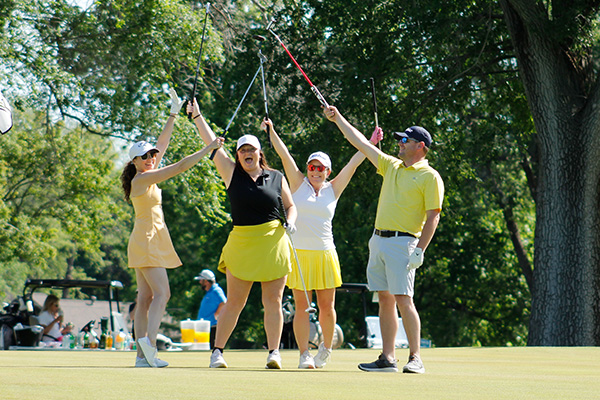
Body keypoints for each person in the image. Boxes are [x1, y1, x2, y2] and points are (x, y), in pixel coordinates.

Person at [324, 106, 444, 374]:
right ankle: (387, 358)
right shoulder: (391, 165)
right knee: (385, 299)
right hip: (378, 241)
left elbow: (433, 216)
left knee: (404, 299)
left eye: (405, 140)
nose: (400, 144)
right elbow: (359, 142)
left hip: (404, 244)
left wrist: (420, 250)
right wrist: (338, 118)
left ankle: (415, 358)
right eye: (400, 140)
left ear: (420, 146)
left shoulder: (430, 176)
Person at [261, 118, 382, 369]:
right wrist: (271, 131)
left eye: (320, 168)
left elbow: (353, 163)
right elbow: (284, 155)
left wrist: (370, 143)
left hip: (326, 254)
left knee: (327, 307)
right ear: (307, 169)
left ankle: (326, 349)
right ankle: (304, 354)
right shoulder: (297, 183)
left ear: (327, 171)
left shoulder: (333, 189)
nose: (315, 171)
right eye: (312, 167)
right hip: (300, 255)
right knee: (302, 307)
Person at [187, 99, 297, 370]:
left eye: (252, 149)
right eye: (242, 149)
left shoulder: (276, 176)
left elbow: (290, 205)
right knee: (235, 301)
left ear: (260, 153)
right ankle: (217, 353)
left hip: (273, 241)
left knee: (273, 301)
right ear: (237, 155)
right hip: (242, 242)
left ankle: (274, 352)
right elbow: (210, 142)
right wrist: (198, 115)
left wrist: (291, 222)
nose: (247, 153)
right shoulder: (231, 172)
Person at [121, 89, 224, 369]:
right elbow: (178, 166)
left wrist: (173, 114)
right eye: (145, 157)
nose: (151, 158)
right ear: (134, 162)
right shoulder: (141, 180)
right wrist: (209, 148)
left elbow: (162, 144)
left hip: (146, 239)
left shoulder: (147, 175)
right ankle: (151, 348)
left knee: (145, 298)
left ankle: (142, 357)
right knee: (162, 295)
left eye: (151, 155)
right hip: (147, 240)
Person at [195, 269, 227, 348]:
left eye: (201, 280)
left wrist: (216, 314)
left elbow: (224, 302)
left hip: (212, 326)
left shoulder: (216, 290)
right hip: (205, 326)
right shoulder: (209, 292)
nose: (199, 282)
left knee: (210, 348)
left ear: (206, 281)